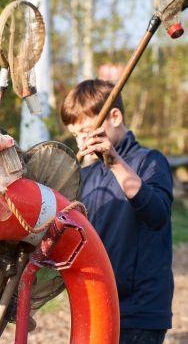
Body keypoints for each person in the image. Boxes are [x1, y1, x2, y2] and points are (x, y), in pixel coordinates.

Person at [60, 79, 174, 344]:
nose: (82, 142)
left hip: (139, 311)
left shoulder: (150, 161)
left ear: (114, 116)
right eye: (76, 135)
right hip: (97, 304)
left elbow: (157, 215)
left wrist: (113, 160)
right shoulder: (84, 176)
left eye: (87, 131)